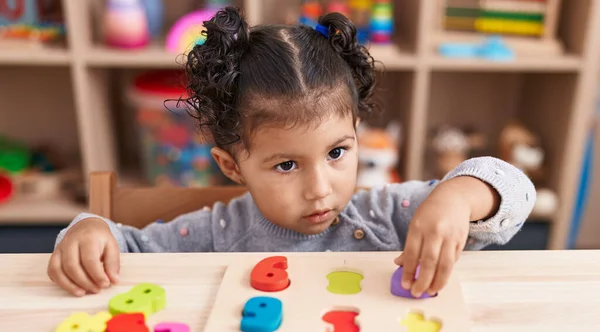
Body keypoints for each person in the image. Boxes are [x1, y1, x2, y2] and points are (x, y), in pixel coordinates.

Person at [48, 7, 536, 299]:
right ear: (231, 166)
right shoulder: (220, 233)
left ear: (356, 132)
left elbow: (515, 193)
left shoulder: (388, 217)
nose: (320, 188)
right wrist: (88, 229)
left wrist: (457, 199)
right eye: (286, 165)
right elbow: (128, 250)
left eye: (337, 153)